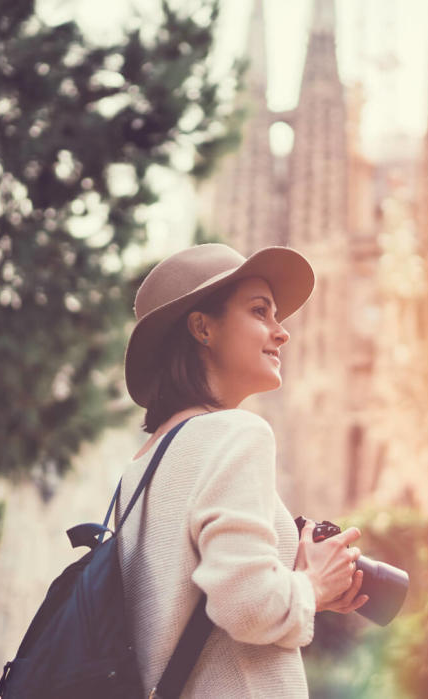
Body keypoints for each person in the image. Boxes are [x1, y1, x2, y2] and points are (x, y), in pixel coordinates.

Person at [117, 243, 367, 697]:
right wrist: (313, 586)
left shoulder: (138, 470)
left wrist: (293, 578)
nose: (281, 332)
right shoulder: (237, 434)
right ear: (202, 328)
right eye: (260, 312)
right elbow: (249, 609)